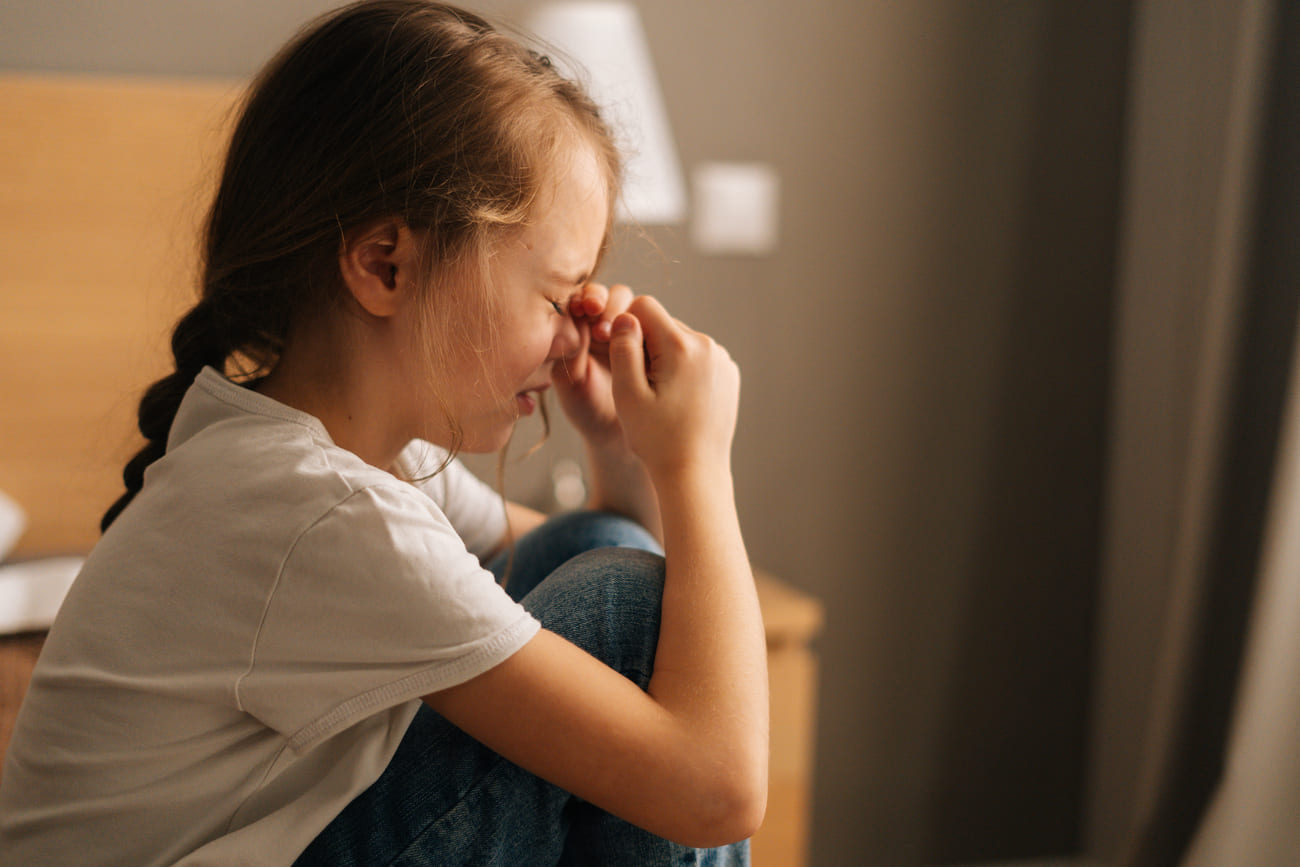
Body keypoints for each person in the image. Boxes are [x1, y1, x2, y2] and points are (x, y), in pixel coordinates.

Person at [0, 1, 768, 864]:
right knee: (629, 605)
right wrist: (698, 467)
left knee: (596, 542)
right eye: (558, 299)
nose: (571, 342)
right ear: (384, 266)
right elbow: (717, 787)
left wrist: (622, 458)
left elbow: (579, 556)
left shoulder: (339, 460)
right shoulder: (320, 510)